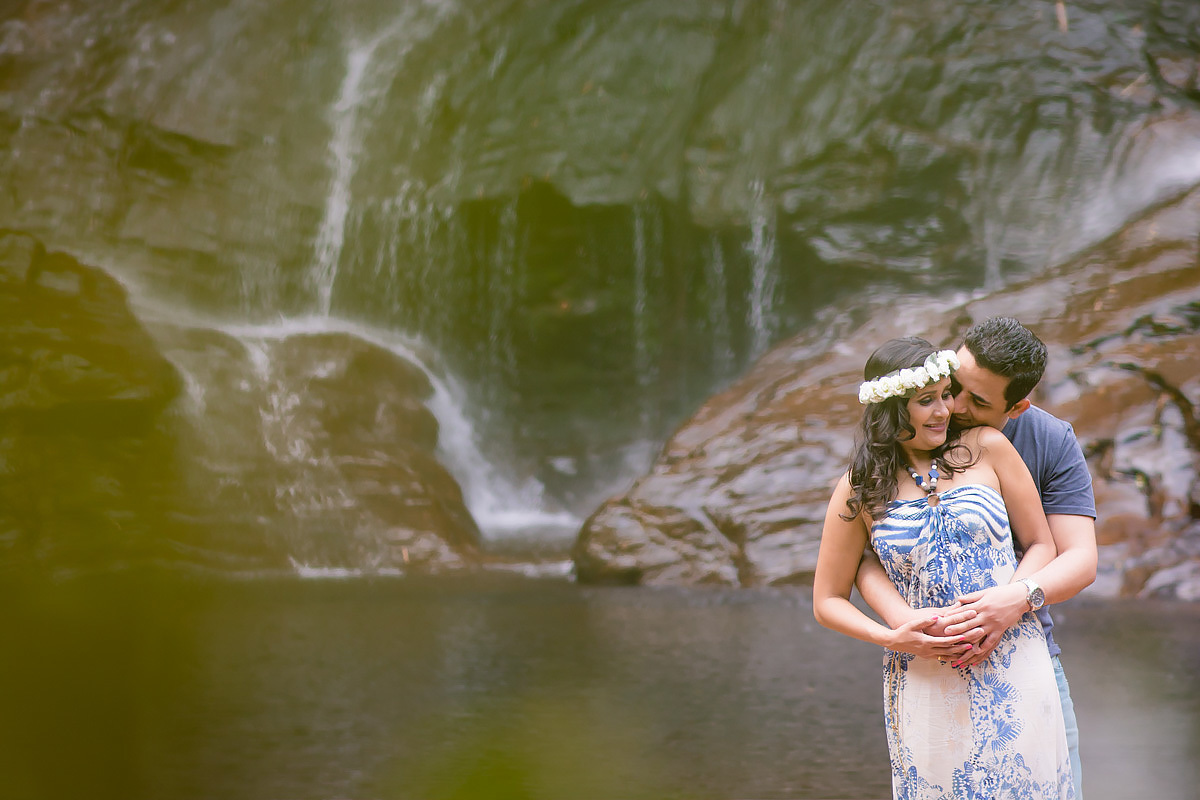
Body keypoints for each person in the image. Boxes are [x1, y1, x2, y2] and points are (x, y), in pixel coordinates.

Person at [813, 337, 1074, 799]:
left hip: (1011, 656)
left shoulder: (988, 446)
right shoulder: (860, 485)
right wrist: (891, 636)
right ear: (892, 408)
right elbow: (827, 600)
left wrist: (1006, 602)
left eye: (945, 394)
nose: (945, 410)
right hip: (923, 673)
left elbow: (1042, 543)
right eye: (926, 400)